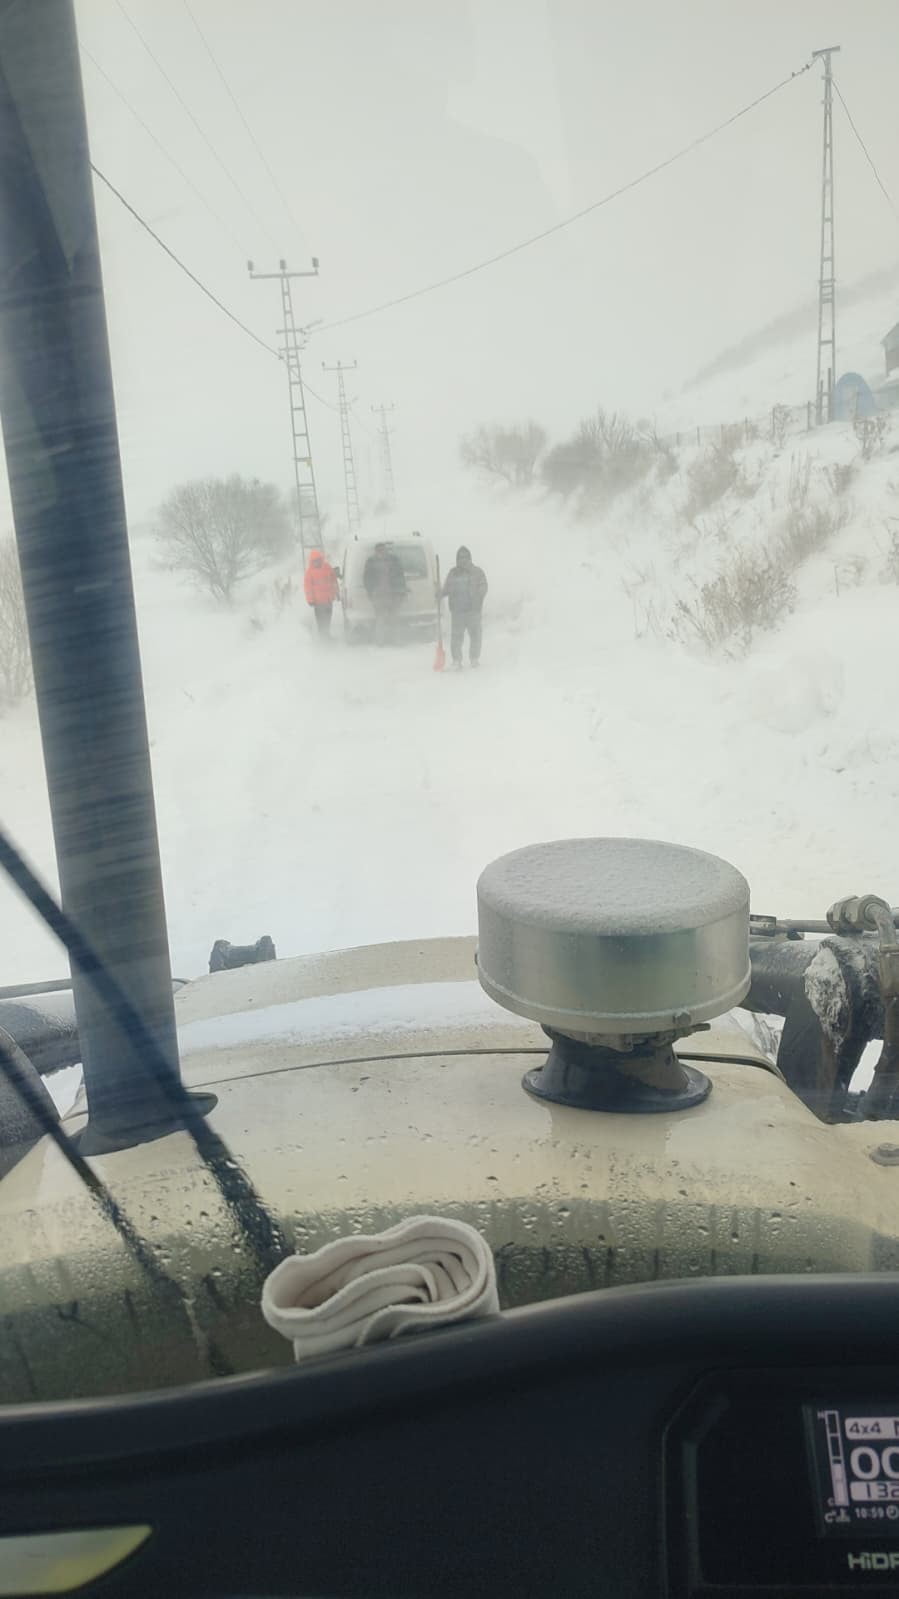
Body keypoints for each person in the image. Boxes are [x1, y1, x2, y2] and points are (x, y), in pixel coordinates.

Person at [441, 545, 488, 668]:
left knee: (475, 636)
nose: (462, 560)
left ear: (470, 558)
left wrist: (479, 596)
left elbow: (484, 586)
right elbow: (447, 588)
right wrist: (440, 593)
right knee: (456, 637)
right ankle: (457, 660)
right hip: (458, 612)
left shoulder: (477, 572)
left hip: (473, 611)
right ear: (457, 559)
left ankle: (474, 658)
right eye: (460, 558)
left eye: (465, 557)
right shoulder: (453, 573)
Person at [363, 541, 407, 645]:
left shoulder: (394, 560)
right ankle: (380, 641)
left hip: (393, 593)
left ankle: (395, 640)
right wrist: (371, 591)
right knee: (381, 618)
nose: (382, 552)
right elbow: (366, 578)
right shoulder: (370, 562)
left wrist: (401, 591)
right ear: (376, 551)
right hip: (378, 595)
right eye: (380, 550)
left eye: (383, 550)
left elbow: (400, 576)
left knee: (394, 618)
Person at [303, 549, 339, 638]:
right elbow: (308, 588)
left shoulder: (327, 567)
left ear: (321, 559)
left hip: (328, 600)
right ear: (311, 562)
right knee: (321, 621)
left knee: (328, 619)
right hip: (318, 602)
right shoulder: (309, 572)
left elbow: (334, 581)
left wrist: (337, 592)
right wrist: (310, 600)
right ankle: (323, 638)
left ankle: (327, 635)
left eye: (318, 560)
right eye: (314, 561)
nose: (317, 562)